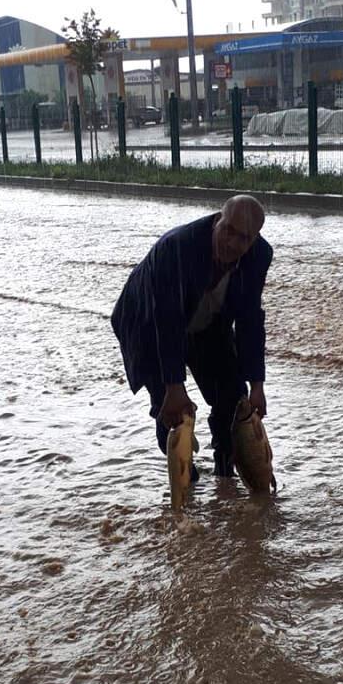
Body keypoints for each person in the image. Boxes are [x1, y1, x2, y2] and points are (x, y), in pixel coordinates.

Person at [111, 195, 273, 477]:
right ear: (216, 221)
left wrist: (257, 384)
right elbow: (167, 319)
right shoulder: (176, 248)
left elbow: (250, 320)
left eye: (244, 238)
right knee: (173, 412)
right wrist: (174, 388)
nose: (233, 243)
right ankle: (187, 481)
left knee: (234, 397)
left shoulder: (259, 255)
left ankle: (226, 475)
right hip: (148, 322)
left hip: (207, 322)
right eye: (228, 231)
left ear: (254, 240)